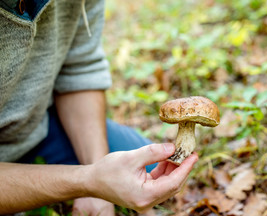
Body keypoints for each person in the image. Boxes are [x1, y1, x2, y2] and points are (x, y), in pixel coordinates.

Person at [0, 0, 198, 215]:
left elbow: (79, 67)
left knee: (154, 173)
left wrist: (96, 170)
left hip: (34, 125)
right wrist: (88, 181)